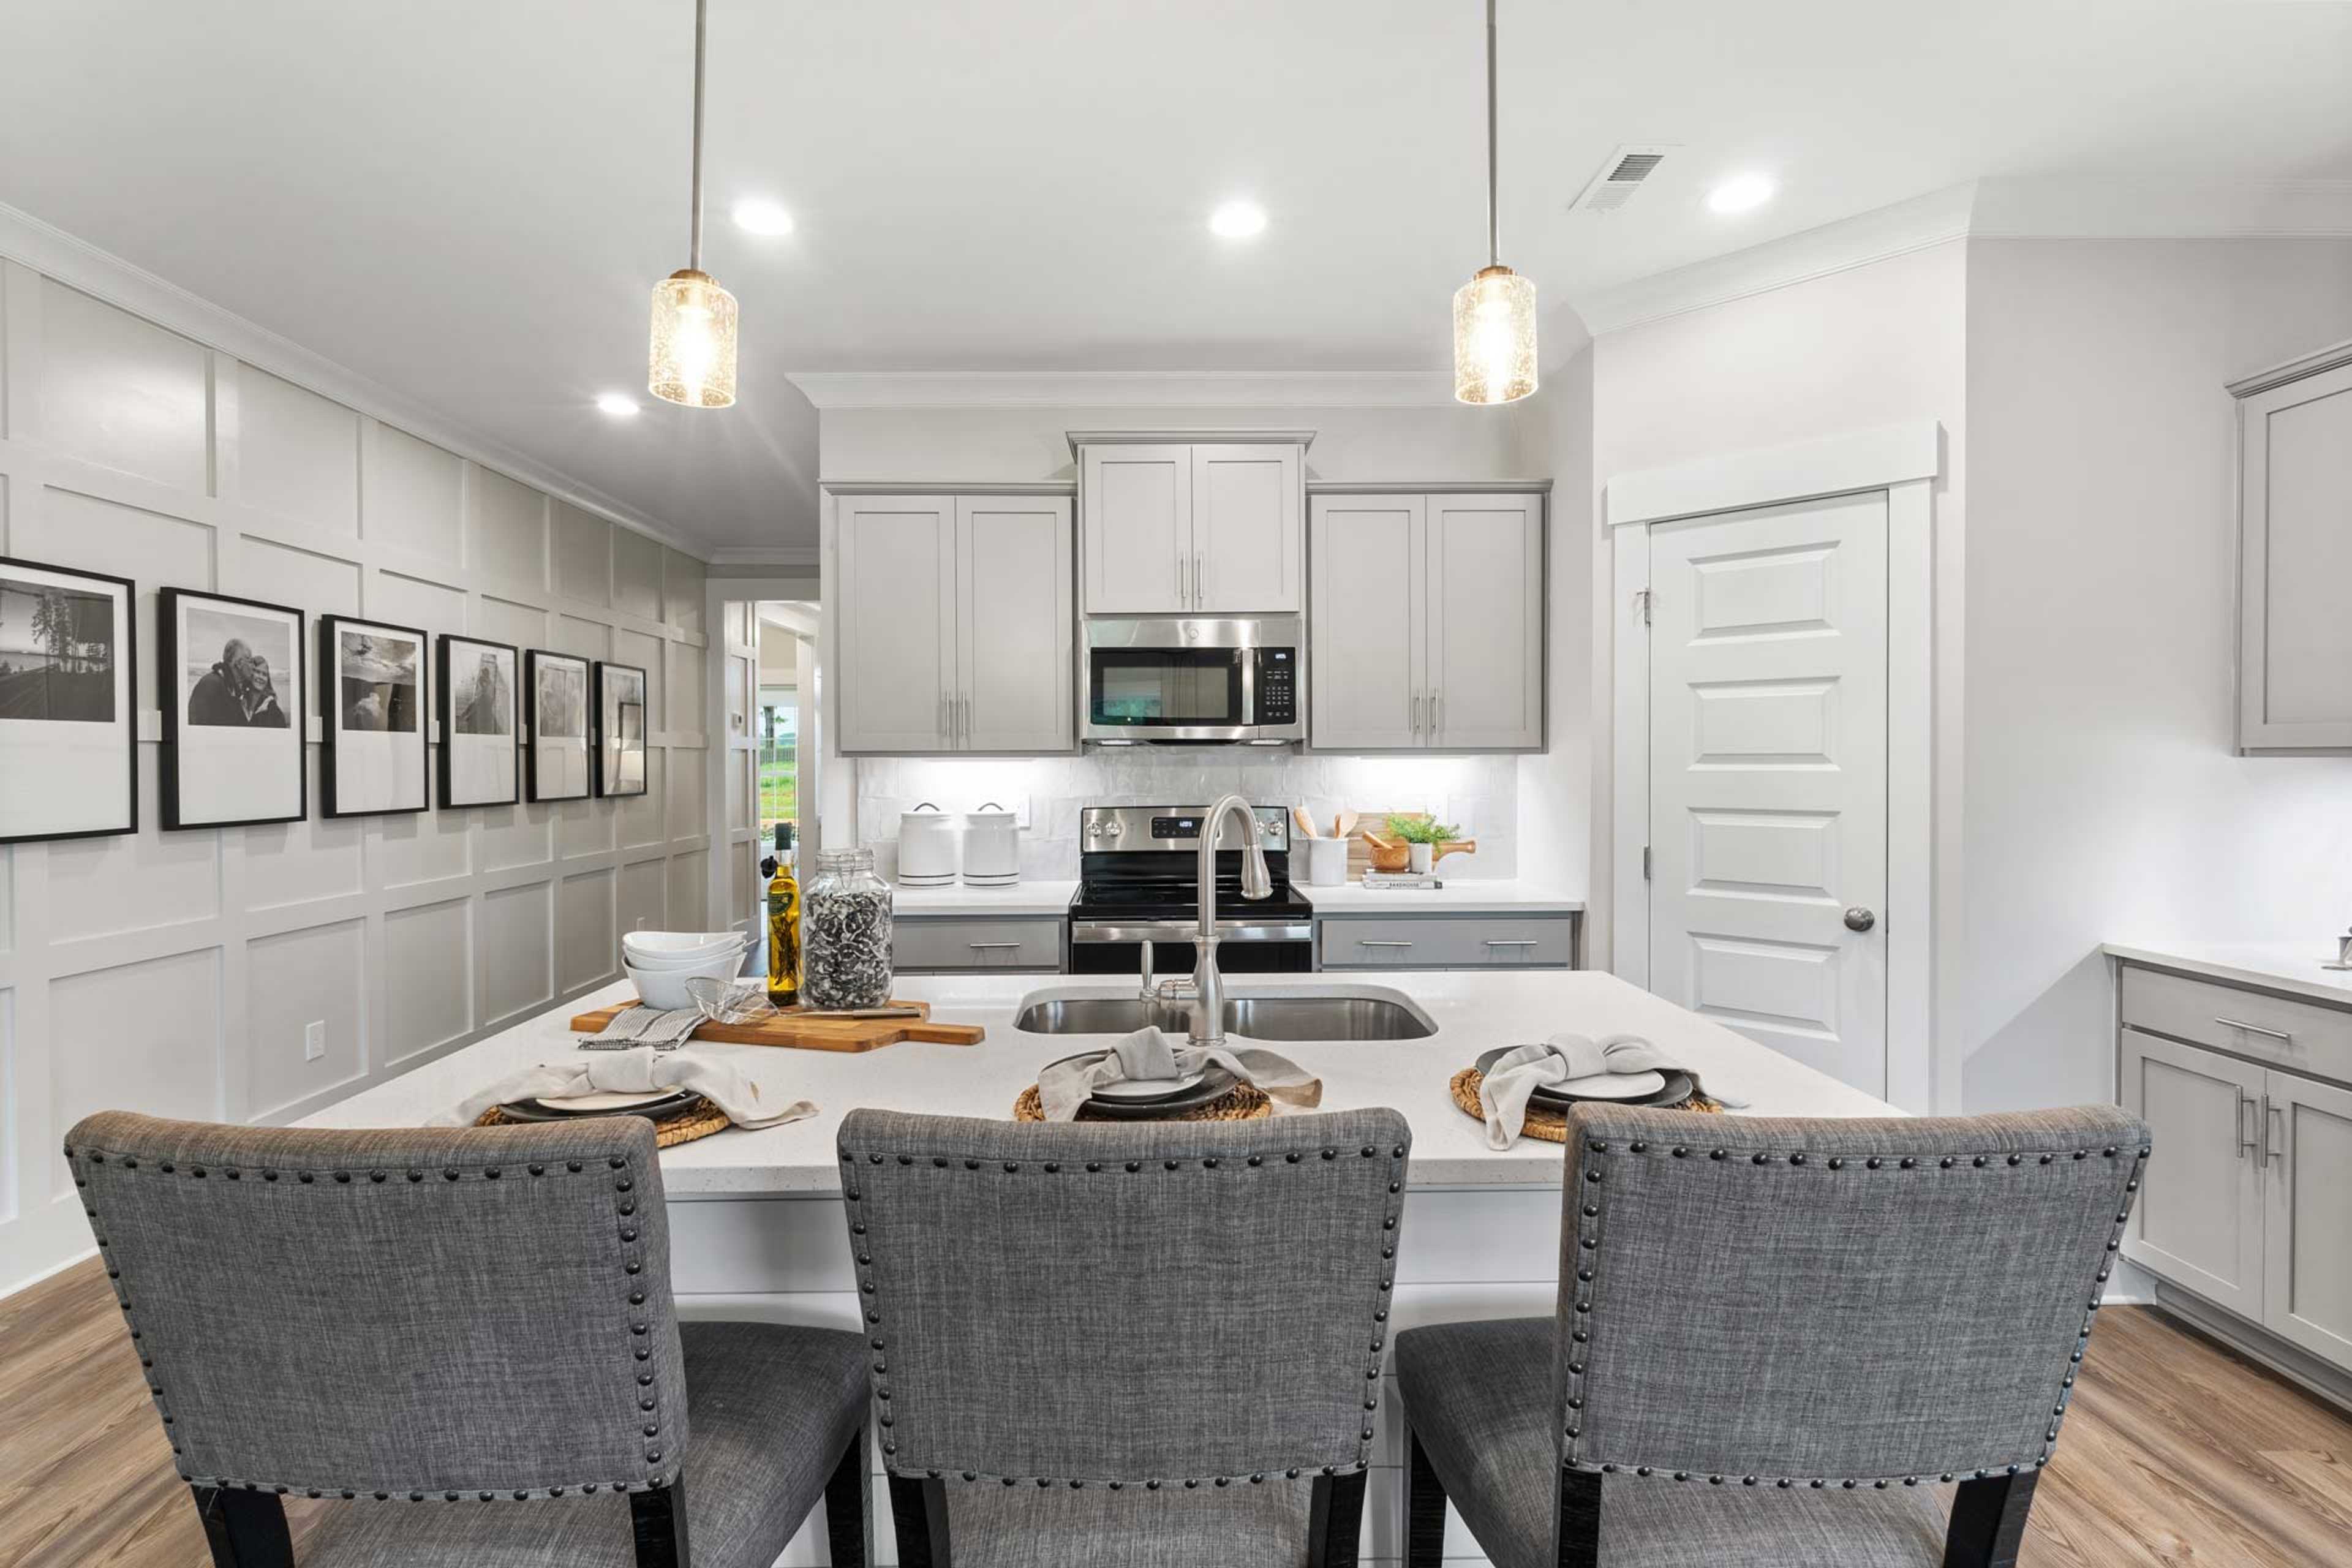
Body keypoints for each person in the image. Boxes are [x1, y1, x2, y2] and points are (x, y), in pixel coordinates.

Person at [187, 639, 287, 728]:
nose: (253, 666)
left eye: (264, 674)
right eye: (249, 660)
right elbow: (197, 726)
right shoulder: (211, 685)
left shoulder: (233, 690)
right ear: (239, 664)